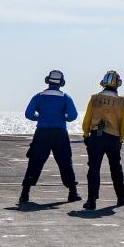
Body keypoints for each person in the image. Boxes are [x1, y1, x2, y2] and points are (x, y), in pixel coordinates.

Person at [19, 70, 81, 205]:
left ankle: (25, 194)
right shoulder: (66, 97)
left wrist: (40, 117)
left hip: (42, 133)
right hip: (60, 134)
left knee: (34, 163)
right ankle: (73, 192)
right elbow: (73, 116)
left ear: (47, 80)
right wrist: (61, 117)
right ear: (62, 83)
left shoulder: (38, 97)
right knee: (65, 163)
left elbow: (28, 114)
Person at [81, 70, 124, 210]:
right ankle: (121, 198)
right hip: (114, 138)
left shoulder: (95, 98)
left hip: (96, 137)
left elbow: (87, 119)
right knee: (116, 169)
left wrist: (86, 134)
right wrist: (121, 139)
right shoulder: (121, 101)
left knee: (94, 169)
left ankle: (91, 200)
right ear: (117, 84)